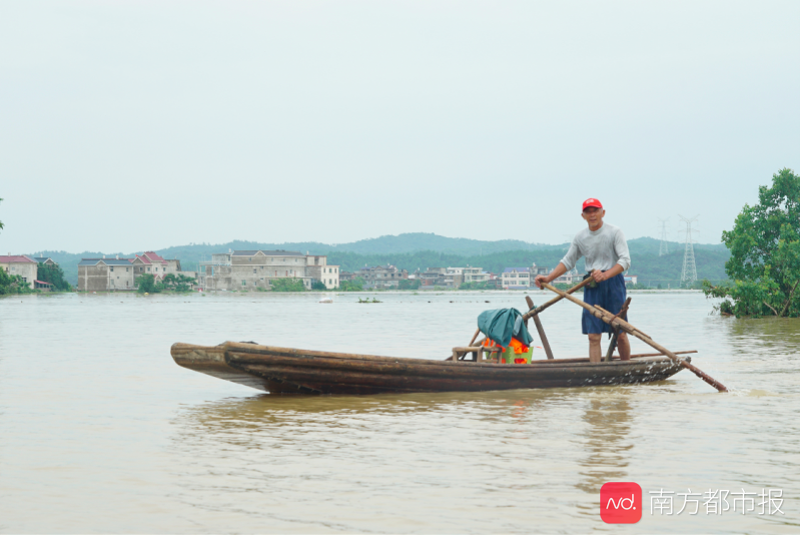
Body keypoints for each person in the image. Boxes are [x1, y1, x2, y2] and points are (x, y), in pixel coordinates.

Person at [534, 198, 631, 363]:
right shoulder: (581, 237)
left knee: (620, 332)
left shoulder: (614, 232)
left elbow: (625, 261)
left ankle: (626, 368)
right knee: (593, 335)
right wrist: (548, 278)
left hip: (613, 283)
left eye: (595, 211)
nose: (592, 215)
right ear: (583, 216)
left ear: (603, 213)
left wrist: (606, 275)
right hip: (592, 285)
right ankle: (596, 375)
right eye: (588, 212)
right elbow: (568, 261)